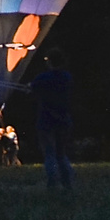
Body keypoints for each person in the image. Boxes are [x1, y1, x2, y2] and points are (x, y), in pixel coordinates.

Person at [29, 48, 74, 190]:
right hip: (63, 119)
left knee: (49, 153)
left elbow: (33, 89)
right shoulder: (67, 77)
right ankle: (67, 183)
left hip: (46, 120)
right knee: (61, 153)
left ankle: (53, 183)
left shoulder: (43, 78)